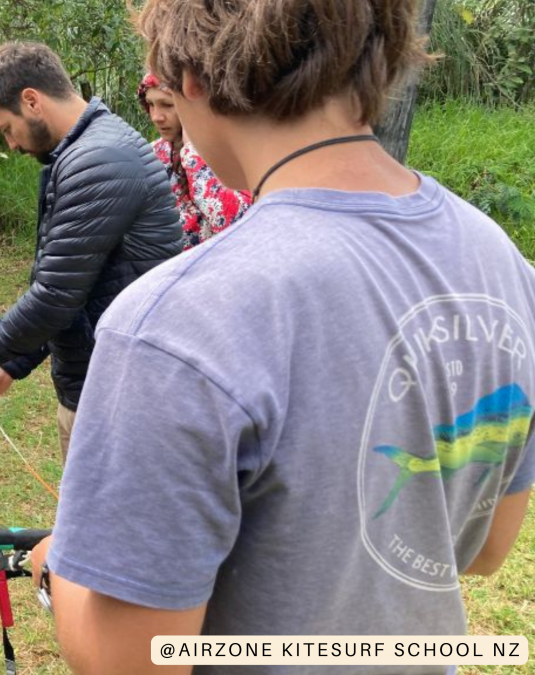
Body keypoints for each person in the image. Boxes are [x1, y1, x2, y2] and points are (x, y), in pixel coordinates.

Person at [33, 1, 535, 673]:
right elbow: (486, 548)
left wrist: (59, 567)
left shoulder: (173, 326)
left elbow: (130, 663)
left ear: (189, 76)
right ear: (379, 50)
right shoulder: (504, 265)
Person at [0, 41, 180, 458]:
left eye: (6, 129)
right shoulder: (87, 151)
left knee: (103, 524)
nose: (12, 145)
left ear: (31, 100)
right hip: (100, 386)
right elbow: (77, 289)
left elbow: (56, 295)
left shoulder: (99, 159)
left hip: (118, 397)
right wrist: (11, 367)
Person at [139, 72, 252, 250]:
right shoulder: (152, 154)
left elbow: (237, 226)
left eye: (167, 105)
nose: (156, 116)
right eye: (150, 104)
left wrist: (193, 156)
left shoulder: (229, 151)